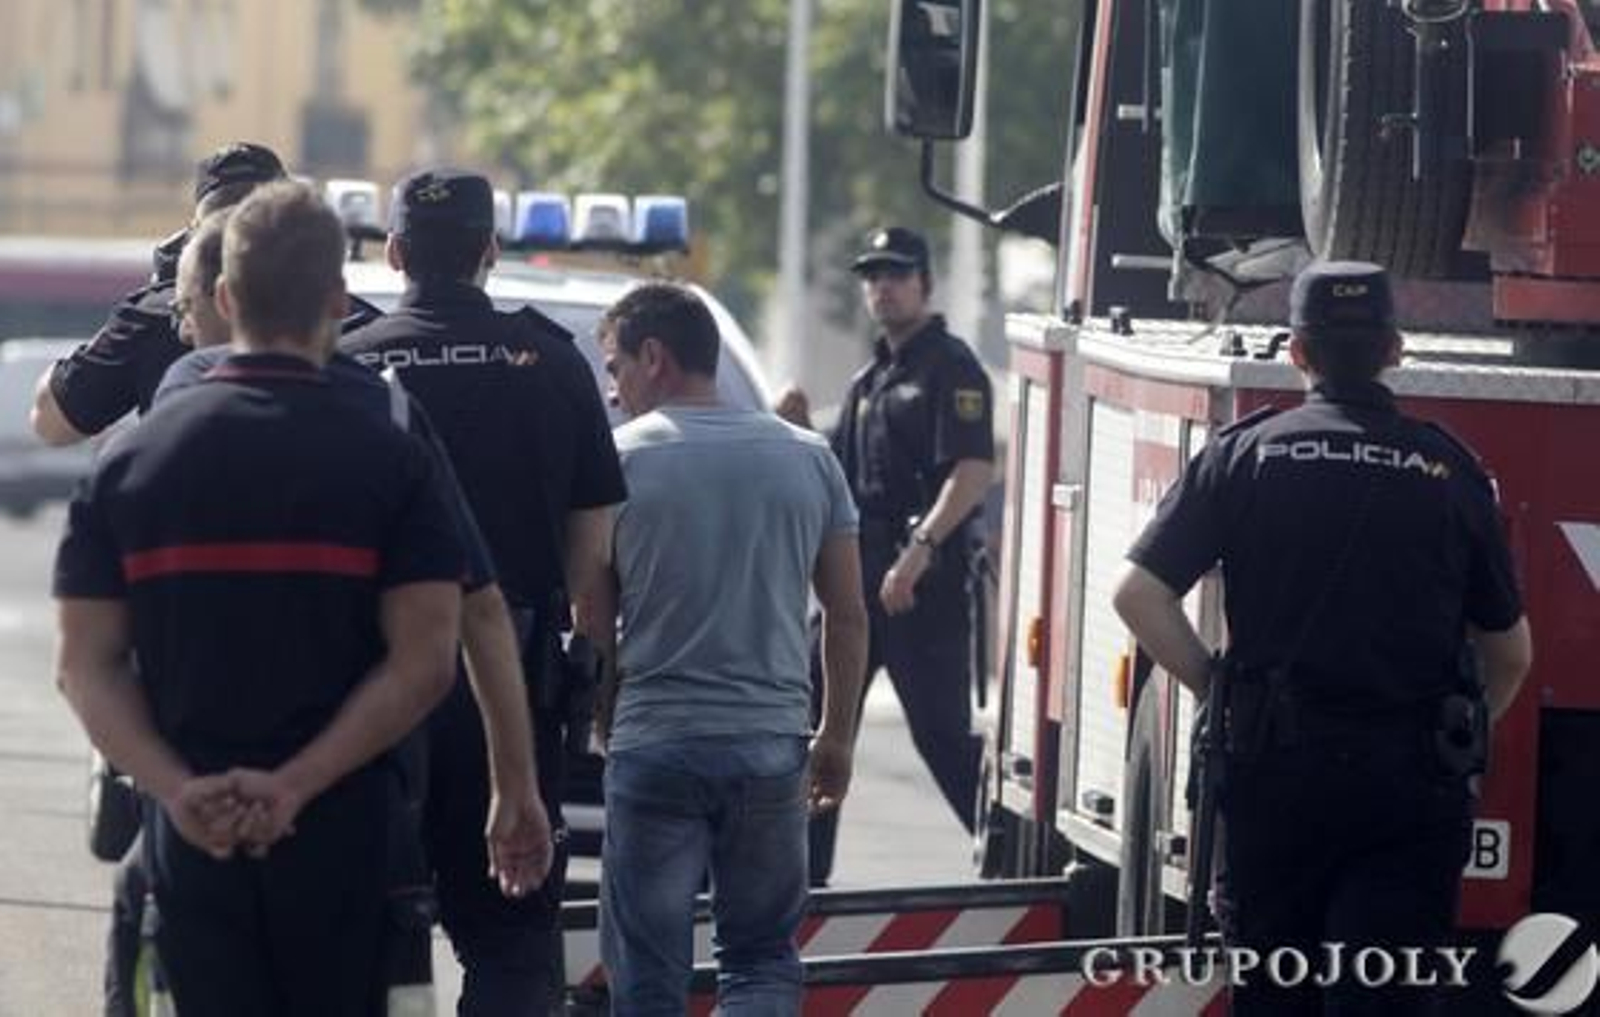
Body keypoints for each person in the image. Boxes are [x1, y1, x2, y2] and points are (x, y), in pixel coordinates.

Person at [53, 181, 467, 1015]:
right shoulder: (391, 447)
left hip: (190, 835)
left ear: (225, 296)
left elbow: (85, 666)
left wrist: (175, 788)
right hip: (346, 838)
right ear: (339, 300)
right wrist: (296, 785)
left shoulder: (132, 458)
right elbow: (426, 659)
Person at [1113, 261, 1533, 1015]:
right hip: (1405, 791)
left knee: (1274, 996)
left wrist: (1219, 689)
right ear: (1395, 349)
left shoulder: (1244, 455)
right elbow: (1511, 653)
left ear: (1297, 352)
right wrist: (1455, 734)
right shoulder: (1450, 470)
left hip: (1274, 778)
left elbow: (1138, 593)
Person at [343, 168, 627, 1015]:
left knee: (356, 929)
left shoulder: (349, 365)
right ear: (490, 250)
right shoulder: (550, 358)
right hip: (511, 692)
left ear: (394, 252)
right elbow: (595, 530)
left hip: (367, 689)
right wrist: (561, 636)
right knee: (509, 937)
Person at [592, 282, 868, 1014]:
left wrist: (601, 715)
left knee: (648, 975)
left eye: (615, 367)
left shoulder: (614, 462)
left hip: (656, 742)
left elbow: (594, 618)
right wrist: (835, 734)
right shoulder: (810, 459)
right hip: (771, 747)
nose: (614, 393)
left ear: (655, 357)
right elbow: (846, 615)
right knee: (761, 961)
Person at [777, 226, 993, 885]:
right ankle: (805, 877)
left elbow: (975, 467)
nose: (882, 287)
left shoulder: (950, 366)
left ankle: (1003, 856)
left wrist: (919, 552)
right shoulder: (870, 377)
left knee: (942, 737)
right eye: (872, 275)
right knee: (815, 719)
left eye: (896, 273)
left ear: (925, 283)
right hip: (858, 577)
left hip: (919, 583)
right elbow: (839, 482)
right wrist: (796, 428)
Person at [30, 142, 291, 445]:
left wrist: (166, 290)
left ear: (194, 234)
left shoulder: (154, 314)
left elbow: (50, 423)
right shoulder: (338, 312)